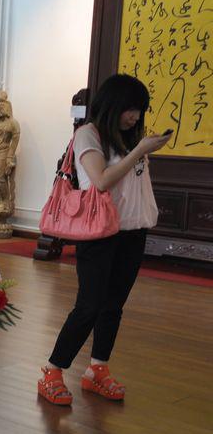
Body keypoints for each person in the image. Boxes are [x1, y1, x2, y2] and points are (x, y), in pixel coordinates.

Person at [38, 74, 169, 406]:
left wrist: (139, 147)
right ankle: (52, 371)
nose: (135, 117)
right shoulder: (88, 134)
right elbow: (100, 181)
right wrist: (140, 150)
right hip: (100, 233)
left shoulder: (127, 138)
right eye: (131, 109)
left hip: (133, 231)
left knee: (113, 306)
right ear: (113, 105)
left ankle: (97, 369)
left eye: (140, 110)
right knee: (89, 306)